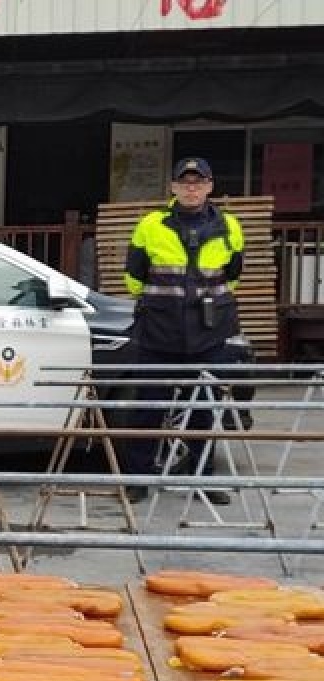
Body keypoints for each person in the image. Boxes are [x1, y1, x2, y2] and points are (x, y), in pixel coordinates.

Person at [121, 156, 245, 505]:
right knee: (147, 407)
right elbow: (134, 277)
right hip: (160, 331)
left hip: (209, 333)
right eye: (185, 181)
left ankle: (201, 477)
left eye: (198, 181)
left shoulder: (230, 226)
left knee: (204, 409)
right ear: (173, 187)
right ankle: (138, 479)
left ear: (210, 186)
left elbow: (233, 274)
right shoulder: (151, 224)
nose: (192, 187)